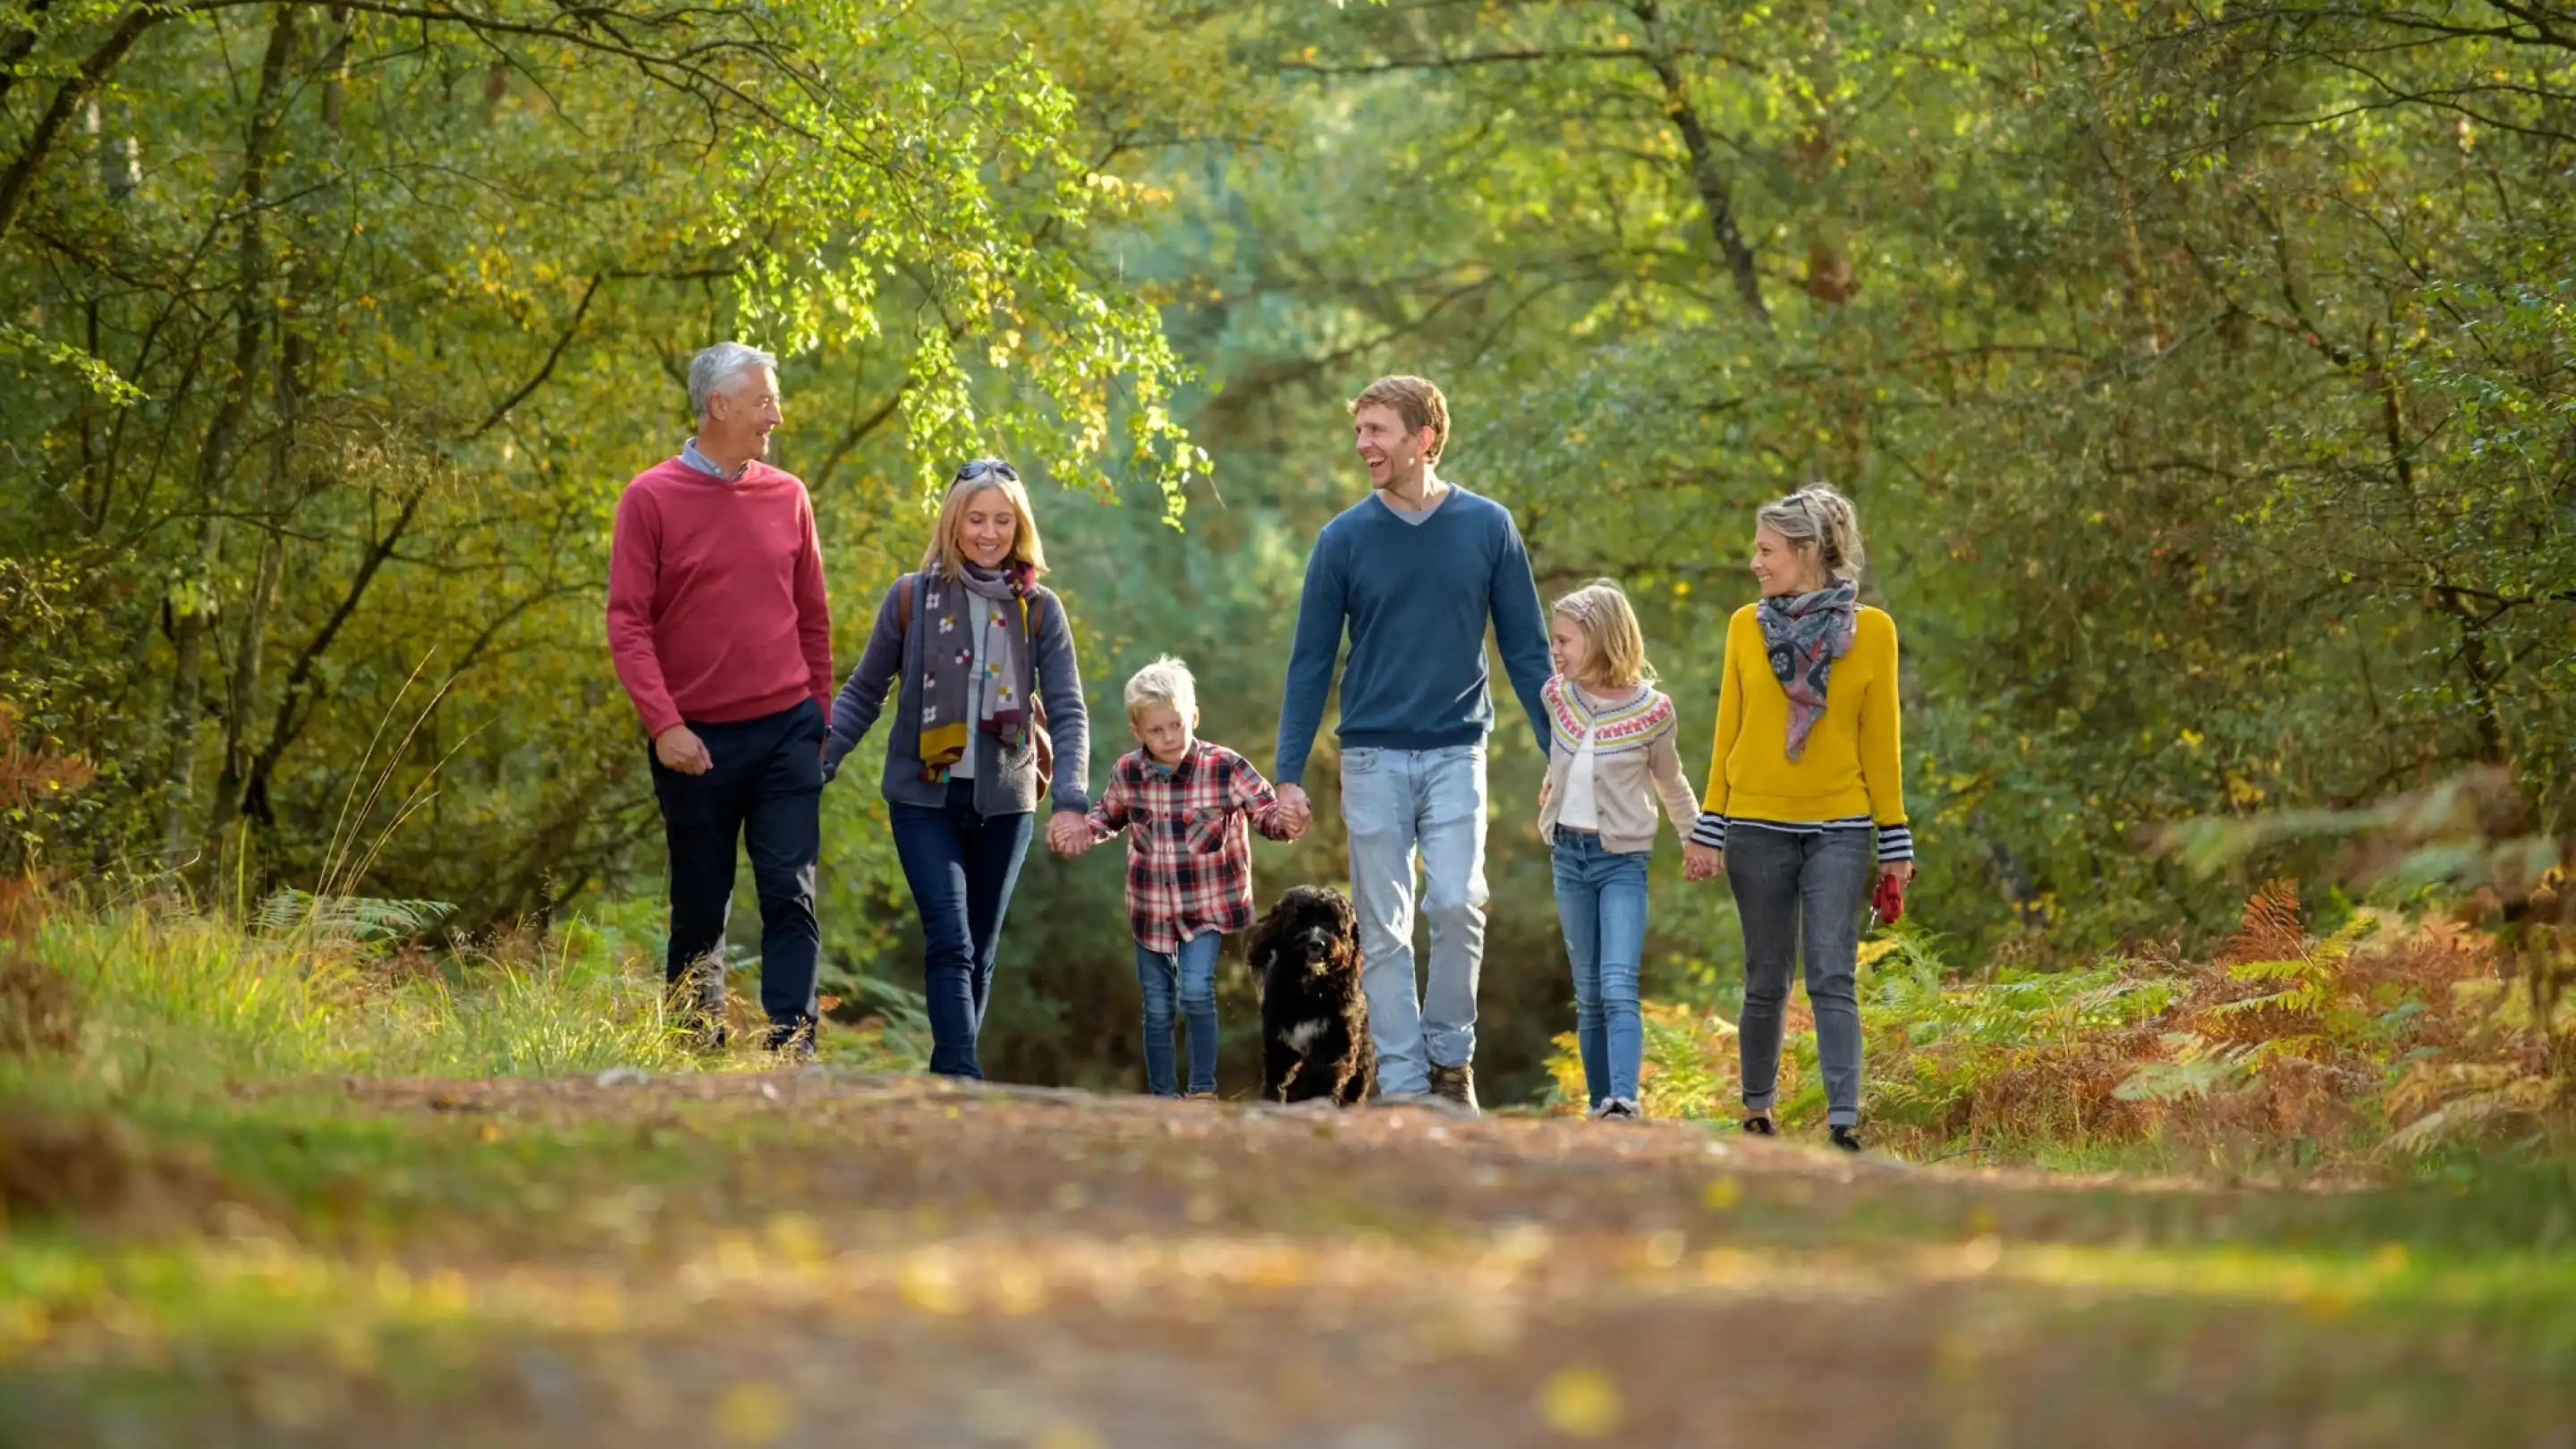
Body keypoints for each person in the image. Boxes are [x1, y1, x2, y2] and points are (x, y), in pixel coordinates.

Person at [1272, 375, 1552, 1113]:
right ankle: (1400, 1082)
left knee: (1460, 903)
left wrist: (1565, 755)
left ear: (1424, 437)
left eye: (1378, 430)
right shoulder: (1343, 540)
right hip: (1371, 757)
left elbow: (1528, 652)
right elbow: (1309, 662)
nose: (1364, 444)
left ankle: (1450, 1065)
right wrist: (1288, 774)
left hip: (1459, 751)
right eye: (1359, 430)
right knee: (1387, 929)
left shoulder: (1488, 528)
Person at [822, 461, 1091, 1080]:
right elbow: (866, 690)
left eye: (1003, 519)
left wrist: (1072, 796)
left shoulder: (1040, 610)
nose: (989, 532)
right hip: (923, 798)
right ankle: (962, 1076)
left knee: (980, 950)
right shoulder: (912, 596)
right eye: (977, 518)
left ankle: (950, 1078)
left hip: (1006, 800)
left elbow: (1070, 710)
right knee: (950, 938)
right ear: (954, 522)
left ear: (1019, 526)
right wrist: (824, 756)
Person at [606, 342, 834, 1055]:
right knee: (701, 904)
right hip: (694, 741)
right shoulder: (650, 498)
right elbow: (627, 622)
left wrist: (818, 716)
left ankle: (792, 1045)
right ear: (719, 406)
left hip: (786, 731)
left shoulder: (788, 494)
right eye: (765, 401)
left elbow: (813, 614)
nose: (777, 415)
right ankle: (691, 1049)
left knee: (789, 893)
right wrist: (664, 725)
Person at [1682, 484, 1915, 1152]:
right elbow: (1730, 729)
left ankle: (1845, 1120)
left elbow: (1882, 738)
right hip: (1755, 822)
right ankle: (1758, 1110)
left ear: (1809, 551)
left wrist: (1894, 836)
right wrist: (1710, 823)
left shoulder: (1873, 633)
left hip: (1840, 826)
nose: (1755, 562)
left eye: (1767, 549)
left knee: (1832, 973)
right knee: (1766, 975)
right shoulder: (1743, 628)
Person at [1059, 656, 1303, 1098]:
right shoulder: (1128, 772)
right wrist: (1080, 831)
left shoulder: (1225, 766)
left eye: (1176, 725)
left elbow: (1265, 812)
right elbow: (1106, 817)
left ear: (1193, 716)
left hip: (1207, 907)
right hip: (1150, 908)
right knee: (1156, 1008)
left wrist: (1285, 820)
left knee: (1195, 991)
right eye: (1156, 730)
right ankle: (1162, 1095)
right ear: (1138, 732)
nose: (1169, 737)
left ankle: (1202, 1090)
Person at [1534, 581, 1702, 1121]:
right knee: (1586, 992)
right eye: (1554, 640)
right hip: (1568, 855)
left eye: (1565, 640)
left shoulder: (1654, 711)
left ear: (1602, 639)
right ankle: (1598, 1106)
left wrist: (1695, 836)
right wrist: (1552, 783)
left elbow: (1671, 782)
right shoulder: (1557, 696)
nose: (1555, 650)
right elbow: (1569, 758)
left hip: (1622, 862)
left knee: (1617, 982)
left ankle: (1624, 1098)